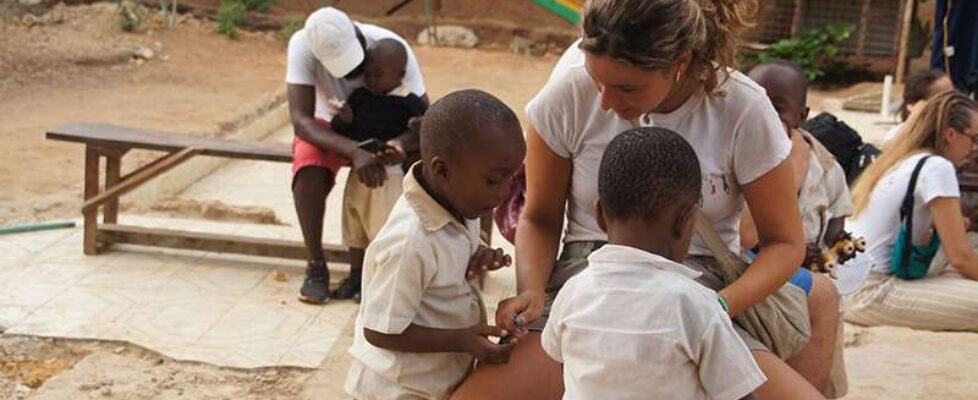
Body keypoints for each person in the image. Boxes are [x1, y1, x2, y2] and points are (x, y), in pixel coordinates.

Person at [453, 1, 828, 399]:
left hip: (699, 285)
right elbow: (540, 218)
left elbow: (785, 243)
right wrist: (531, 290)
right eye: (597, 82)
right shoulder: (567, 96)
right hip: (586, 279)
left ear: (680, 62)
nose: (606, 103)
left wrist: (714, 309)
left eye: (626, 87)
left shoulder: (742, 108)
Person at [542, 127, 767, 400]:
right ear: (686, 221)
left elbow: (556, 352)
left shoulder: (572, 293)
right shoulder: (696, 306)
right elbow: (740, 394)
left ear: (600, 215)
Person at [344, 90, 526, 400]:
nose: (505, 192)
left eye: (512, 178)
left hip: (433, 381)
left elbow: (447, 260)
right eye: (494, 180)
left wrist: (478, 254)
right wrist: (463, 340)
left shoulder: (458, 205)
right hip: (398, 388)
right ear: (442, 170)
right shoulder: (410, 242)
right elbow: (379, 330)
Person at [285, 7, 428, 304]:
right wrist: (354, 150)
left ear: (358, 35)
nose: (355, 76)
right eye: (344, 71)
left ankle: (417, 261)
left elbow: (424, 120)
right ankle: (316, 266)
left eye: (357, 66)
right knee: (307, 159)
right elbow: (302, 121)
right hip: (337, 132)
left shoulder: (391, 47)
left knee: (434, 157)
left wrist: (398, 143)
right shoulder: (302, 45)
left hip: (388, 135)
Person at [741, 60, 850, 393]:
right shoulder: (735, 151)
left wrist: (823, 259)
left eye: (778, 107)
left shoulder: (827, 166)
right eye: (757, 102)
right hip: (747, 269)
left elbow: (840, 238)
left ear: (802, 116)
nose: (767, 115)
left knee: (825, 299)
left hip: (803, 276)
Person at [845, 92, 978, 331]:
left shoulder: (904, 158)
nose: (974, 148)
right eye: (974, 139)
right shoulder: (938, 167)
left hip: (847, 280)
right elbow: (961, 258)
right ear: (951, 135)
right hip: (871, 292)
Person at [328, 38, 429, 302]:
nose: (371, 79)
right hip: (358, 173)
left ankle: (375, 281)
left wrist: (412, 132)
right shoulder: (361, 97)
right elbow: (339, 130)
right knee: (354, 227)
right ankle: (355, 276)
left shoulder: (411, 102)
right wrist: (343, 119)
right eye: (369, 73)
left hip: (388, 176)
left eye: (379, 74)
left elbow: (425, 131)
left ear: (400, 75)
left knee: (381, 231)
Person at [882, 70, 954, 146]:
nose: (953, 102)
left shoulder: (958, 130)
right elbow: (889, 152)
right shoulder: (899, 132)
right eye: (943, 99)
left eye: (953, 95)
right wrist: (915, 117)